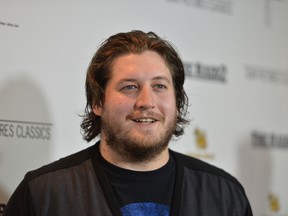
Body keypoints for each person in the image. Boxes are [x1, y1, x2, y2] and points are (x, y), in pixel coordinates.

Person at [4, 30, 253, 215]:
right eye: (130, 87)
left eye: (159, 86)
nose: (146, 101)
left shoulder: (224, 195)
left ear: (177, 101)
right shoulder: (44, 194)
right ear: (98, 102)